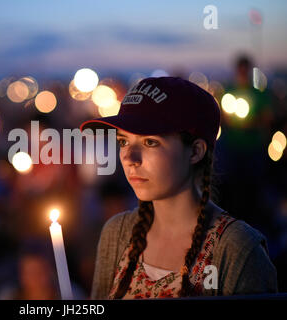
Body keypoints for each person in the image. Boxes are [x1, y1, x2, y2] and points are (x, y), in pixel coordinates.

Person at [80, 76, 278, 299]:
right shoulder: (117, 233)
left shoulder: (237, 249)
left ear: (195, 151)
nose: (130, 158)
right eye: (123, 141)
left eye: (150, 142)